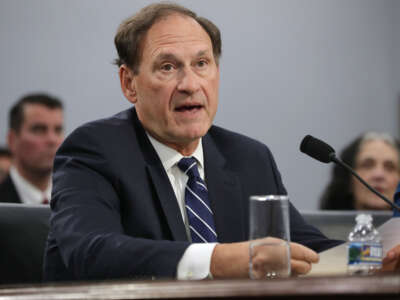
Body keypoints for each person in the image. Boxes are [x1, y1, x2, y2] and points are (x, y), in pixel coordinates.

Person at [43, 3, 399, 281]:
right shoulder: (95, 150)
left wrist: (376, 258)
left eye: (202, 63)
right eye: (167, 67)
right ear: (129, 83)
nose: (189, 83)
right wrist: (219, 259)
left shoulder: (248, 157)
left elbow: (307, 249)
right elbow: (91, 251)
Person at [0, 93, 64, 205]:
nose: (52, 140)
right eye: (39, 130)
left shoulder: (78, 202)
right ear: (12, 140)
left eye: (58, 130)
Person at [320, 132, 400, 210]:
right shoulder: (322, 223)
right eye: (367, 165)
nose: (378, 175)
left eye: (390, 167)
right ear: (348, 179)